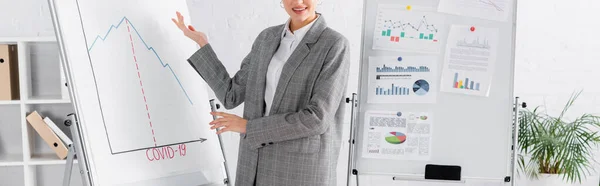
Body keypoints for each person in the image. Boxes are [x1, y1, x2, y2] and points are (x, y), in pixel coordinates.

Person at [172, 0, 350, 185]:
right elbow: (231, 95)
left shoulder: (334, 45)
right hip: (254, 166)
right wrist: (202, 44)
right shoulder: (267, 38)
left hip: (299, 170)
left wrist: (248, 127)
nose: (297, 2)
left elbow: (317, 119)